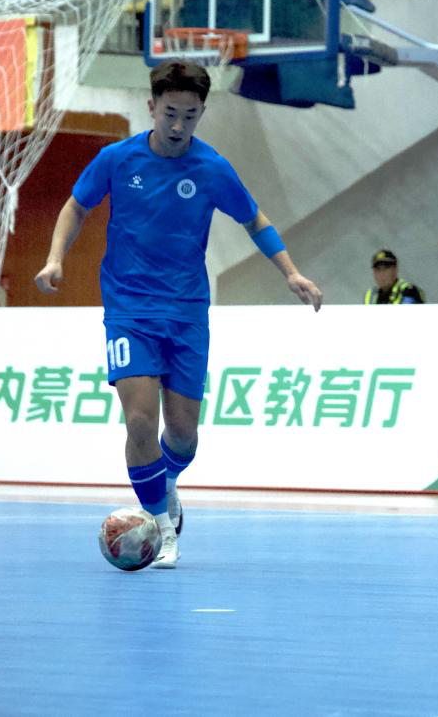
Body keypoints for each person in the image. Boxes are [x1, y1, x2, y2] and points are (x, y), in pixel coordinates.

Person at [34, 60, 323, 569]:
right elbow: (76, 206)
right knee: (140, 420)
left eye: (190, 116)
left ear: (201, 114)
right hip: (129, 309)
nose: (178, 125)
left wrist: (291, 272)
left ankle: (166, 480)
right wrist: (55, 258)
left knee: (184, 433)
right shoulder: (116, 159)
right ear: (152, 107)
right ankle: (162, 530)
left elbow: (254, 219)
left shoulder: (212, 168)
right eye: (170, 112)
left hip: (187, 311)